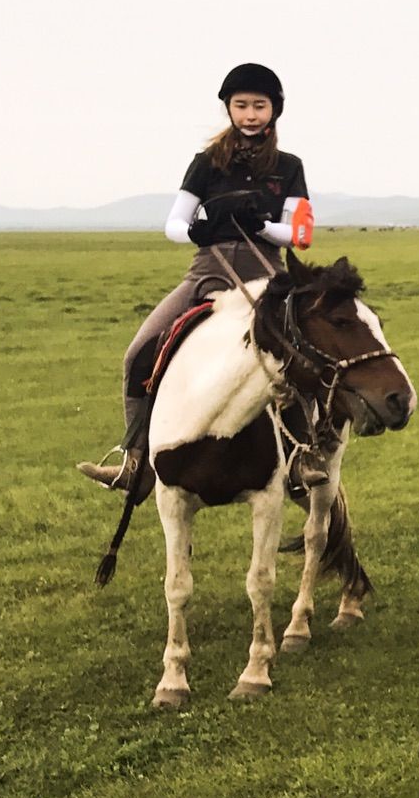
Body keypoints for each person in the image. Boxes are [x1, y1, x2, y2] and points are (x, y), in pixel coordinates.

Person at [76, 63, 314, 490]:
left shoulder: (289, 167)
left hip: (265, 274)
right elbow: (174, 223)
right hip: (207, 273)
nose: (250, 114)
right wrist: (196, 232)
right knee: (138, 353)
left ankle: (301, 458)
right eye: (241, 105)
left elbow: (300, 235)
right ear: (229, 108)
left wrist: (261, 226)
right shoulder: (206, 164)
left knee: (300, 357)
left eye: (259, 106)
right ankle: (136, 463)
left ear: (274, 110)